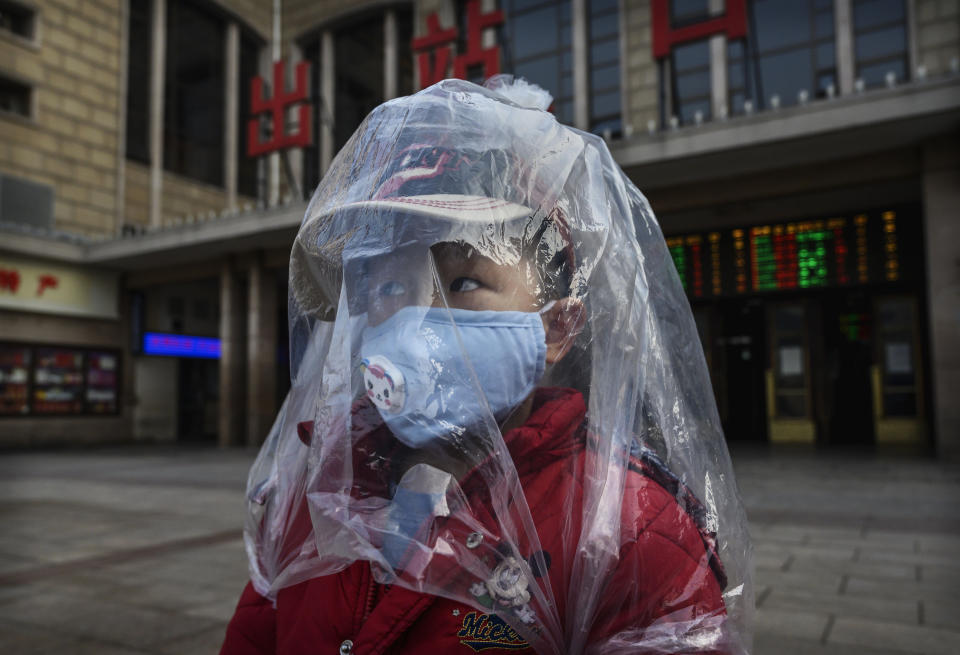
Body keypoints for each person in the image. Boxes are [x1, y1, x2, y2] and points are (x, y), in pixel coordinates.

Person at [220, 77, 752, 655]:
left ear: (557, 327)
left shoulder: (625, 531)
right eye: (390, 285)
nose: (415, 318)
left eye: (464, 282)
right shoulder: (319, 490)